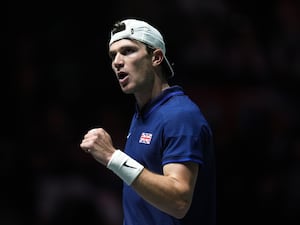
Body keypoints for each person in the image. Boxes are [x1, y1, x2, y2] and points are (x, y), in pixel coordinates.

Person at [80, 18, 216, 225]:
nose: (117, 61)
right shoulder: (143, 113)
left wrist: (112, 157)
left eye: (127, 51)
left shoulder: (180, 115)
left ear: (156, 58)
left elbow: (179, 201)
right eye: (113, 55)